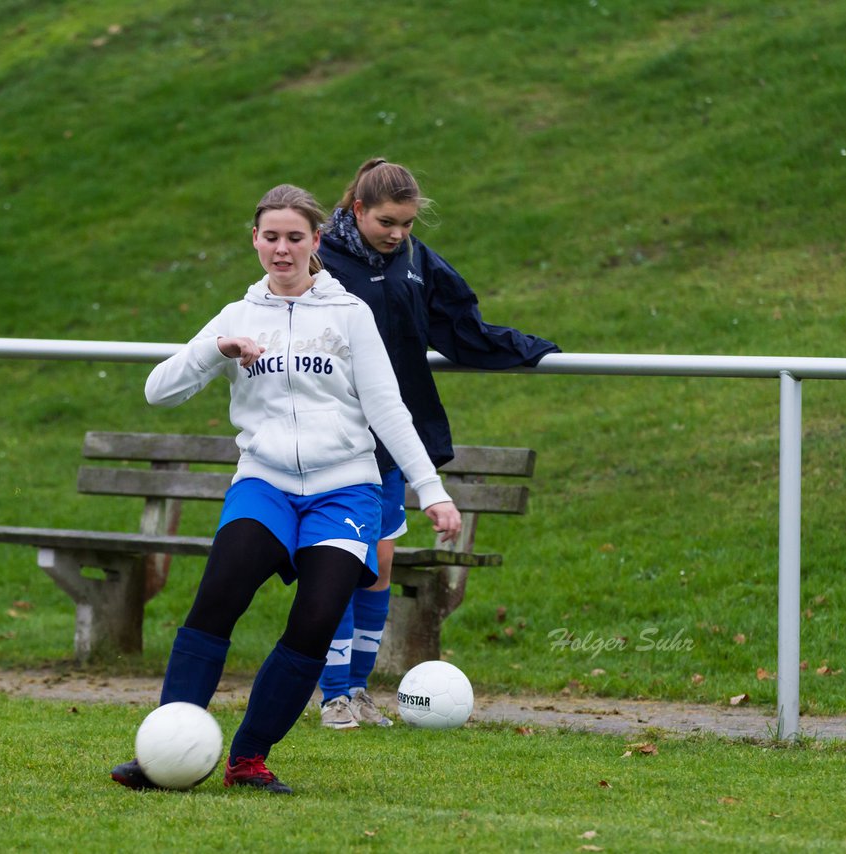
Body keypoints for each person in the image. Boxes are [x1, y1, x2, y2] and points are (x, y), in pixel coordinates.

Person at [110, 184, 462, 794]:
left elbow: (389, 410)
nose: (281, 248)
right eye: (270, 236)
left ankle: (247, 760)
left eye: (294, 237)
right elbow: (157, 390)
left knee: (317, 620)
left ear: (315, 241)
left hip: (344, 492)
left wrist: (432, 490)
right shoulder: (237, 317)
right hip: (264, 485)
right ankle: (164, 750)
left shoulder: (349, 315)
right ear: (255, 240)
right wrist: (213, 351)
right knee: (218, 596)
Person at [314, 158, 560, 729]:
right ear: (357, 210)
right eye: (386, 222)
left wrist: (530, 348)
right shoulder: (319, 259)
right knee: (337, 567)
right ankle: (330, 696)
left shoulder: (416, 260)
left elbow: (461, 326)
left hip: (393, 440)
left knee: (377, 564)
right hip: (335, 439)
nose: (398, 233)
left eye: (406, 223)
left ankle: (358, 691)